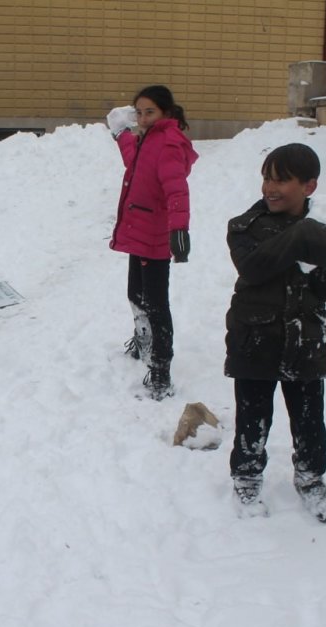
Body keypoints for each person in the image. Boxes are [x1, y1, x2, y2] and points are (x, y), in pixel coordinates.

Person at [223, 143, 326, 523]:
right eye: (266, 179)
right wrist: (306, 235)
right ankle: (247, 477)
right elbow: (254, 268)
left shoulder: (323, 232)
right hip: (255, 340)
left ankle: (310, 477)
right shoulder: (244, 227)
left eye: (281, 180)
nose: (269, 188)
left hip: (306, 341)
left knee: (309, 420)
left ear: (309, 186)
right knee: (252, 417)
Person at [106, 85, 198, 400]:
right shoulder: (146, 139)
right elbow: (133, 160)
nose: (143, 118)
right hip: (139, 232)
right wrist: (121, 134)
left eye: (150, 112)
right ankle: (143, 340)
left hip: (156, 237)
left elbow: (176, 189)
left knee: (156, 304)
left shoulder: (169, 143)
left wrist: (179, 230)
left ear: (165, 113)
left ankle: (161, 368)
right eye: (139, 113)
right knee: (135, 293)